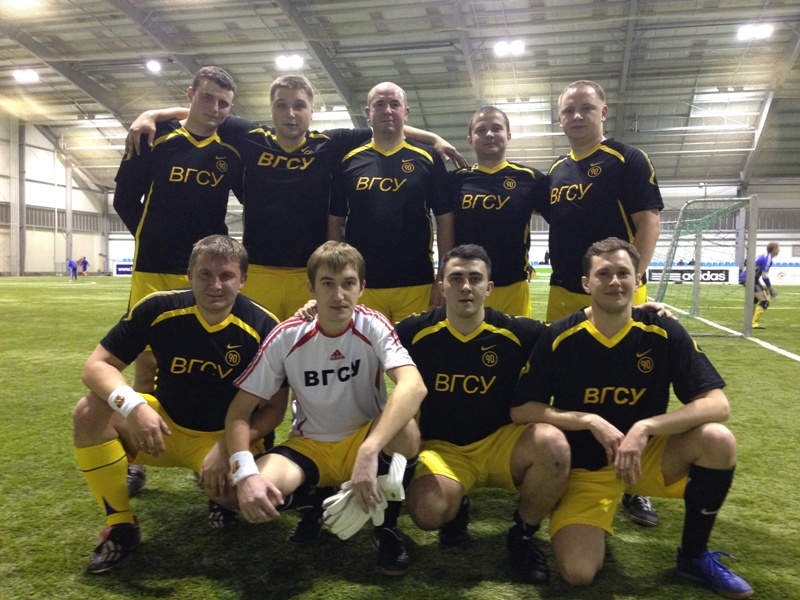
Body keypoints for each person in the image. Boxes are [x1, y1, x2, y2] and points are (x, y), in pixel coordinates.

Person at [511, 237, 753, 599]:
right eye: (603, 274)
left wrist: (645, 427)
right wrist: (588, 420)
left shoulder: (663, 330)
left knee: (718, 440)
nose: (615, 281)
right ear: (586, 283)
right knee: (578, 573)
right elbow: (522, 409)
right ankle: (580, 513)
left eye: (623, 273)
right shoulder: (560, 336)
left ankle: (693, 556)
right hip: (586, 469)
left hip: (645, 457)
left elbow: (718, 405)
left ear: (638, 280)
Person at [127, 75, 465, 322]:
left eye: (299, 106)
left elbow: (384, 126)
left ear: (311, 110)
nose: (291, 113)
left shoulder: (329, 143)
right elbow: (204, 112)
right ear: (271, 109)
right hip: (258, 272)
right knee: (259, 359)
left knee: (307, 360)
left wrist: (432, 138)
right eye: (282, 105)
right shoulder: (248, 136)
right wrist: (151, 115)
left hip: (309, 275)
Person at [72, 235, 282, 574]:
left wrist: (228, 447)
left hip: (223, 439)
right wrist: (133, 406)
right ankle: (121, 525)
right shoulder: (158, 308)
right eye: (205, 274)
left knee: (253, 503)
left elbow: (275, 409)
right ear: (189, 274)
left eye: (226, 276)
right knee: (88, 412)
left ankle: (220, 497)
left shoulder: (263, 326)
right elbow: (96, 366)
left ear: (243, 279)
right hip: (162, 427)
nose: (215, 285)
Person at [225, 241, 427, 576]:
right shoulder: (286, 336)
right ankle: (314, 501)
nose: (338, 295)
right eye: (327, 284)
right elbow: (238, 412)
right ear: (311, 288)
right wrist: (245, 473)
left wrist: (369, 450)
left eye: (348, 283)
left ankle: (386, 528)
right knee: (247, 495)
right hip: (311, 446)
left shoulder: (372, 324)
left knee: (406, 431)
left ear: (362, 287)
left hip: (363, 439)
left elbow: (414, 385)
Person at [394, 244, 570, 584]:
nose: (466, 287)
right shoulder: (415, 332)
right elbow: (363, 332)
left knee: (554, 447)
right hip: (444, 449)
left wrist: (639, 313)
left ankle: (521, 534)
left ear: (489, 287)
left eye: (475, 279)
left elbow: (576, 332)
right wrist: (314, 310)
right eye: (456, 278)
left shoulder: (518, 332)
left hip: (502, 443)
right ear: (441, 285)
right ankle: (456, 505)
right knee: (427, 513)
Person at [543, 79, 664, 526]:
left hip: (617, 291)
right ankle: (568, 464)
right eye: (568, 110)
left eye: (586, 108)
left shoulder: (628, 159)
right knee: (566, 381)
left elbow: (648, 222)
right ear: (560, 118)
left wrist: (635, 278)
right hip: (564, 292)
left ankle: (634, 485)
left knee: (629, 384)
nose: (577, 116)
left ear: (603, 112)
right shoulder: (556, 171)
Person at [113, 66, 242, 398]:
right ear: (191, 95)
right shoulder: (153, 137)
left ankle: (194, 423)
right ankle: (145, 427)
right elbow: (124, 199)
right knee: (148, 361)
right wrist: (151, 235)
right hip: (153, 266)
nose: (214, 109)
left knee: (202, 356)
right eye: (207, 98)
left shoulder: (232, 148)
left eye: (223, 103)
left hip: (207, 270)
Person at [328, 82, 455, 323]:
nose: (387, 110)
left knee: (414, 347)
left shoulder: (428, 158)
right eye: (380, 104)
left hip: (416, 281)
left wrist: (444, 273)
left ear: (406, 113)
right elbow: (336, 221)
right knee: (365, 348)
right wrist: (335, 273)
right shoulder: (348, 160)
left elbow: (445, 219)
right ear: (368, 113)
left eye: (395, 104)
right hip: (361, 283)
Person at [448, 106, 548, 317]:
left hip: (513, 287)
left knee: (516, 339)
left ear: (508, 135)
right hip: (465, 288)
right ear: (470, 139)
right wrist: (435, 140)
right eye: (481, 130)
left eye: (496, 128)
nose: (489, 134)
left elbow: (563, 220)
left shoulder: (531, 179)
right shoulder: (455, 181)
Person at [739, 242, 780, 329]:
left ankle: (749, 321)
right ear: (774, 249)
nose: (779, 250)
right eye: (778, 248)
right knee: (764, 302)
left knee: (754, 299)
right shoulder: (768, 259)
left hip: (750, 278)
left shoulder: (764, 256)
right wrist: (770, 289)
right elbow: (765, 276)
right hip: (750, 279)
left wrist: (764, 287)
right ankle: (753, 323)